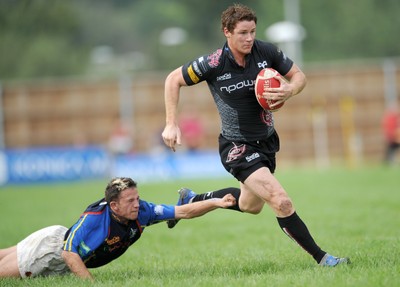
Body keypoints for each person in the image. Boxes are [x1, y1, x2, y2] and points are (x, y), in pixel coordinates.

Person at [161, 4, 350, 267]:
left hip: (267, 141)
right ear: (227, 32)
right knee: (280, 201)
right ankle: (324, 259)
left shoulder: (266, 51)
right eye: (242, 33)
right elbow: (173, 80)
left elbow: (299, 76)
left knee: (250, 205)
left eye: (252, 32)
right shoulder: (213, 63)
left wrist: (290, 90)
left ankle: (192, 199)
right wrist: (171, 123)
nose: (249, 38)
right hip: (236, 146)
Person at [0, 177, 236, 280]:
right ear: (114, 205)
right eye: (130, 201)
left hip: (56, 236)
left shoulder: (142, 211)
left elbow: (183, 211)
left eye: (137, 198)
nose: (137, 204)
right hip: (50, 251)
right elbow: (68, 254)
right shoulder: (95, 218)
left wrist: (216, 202)